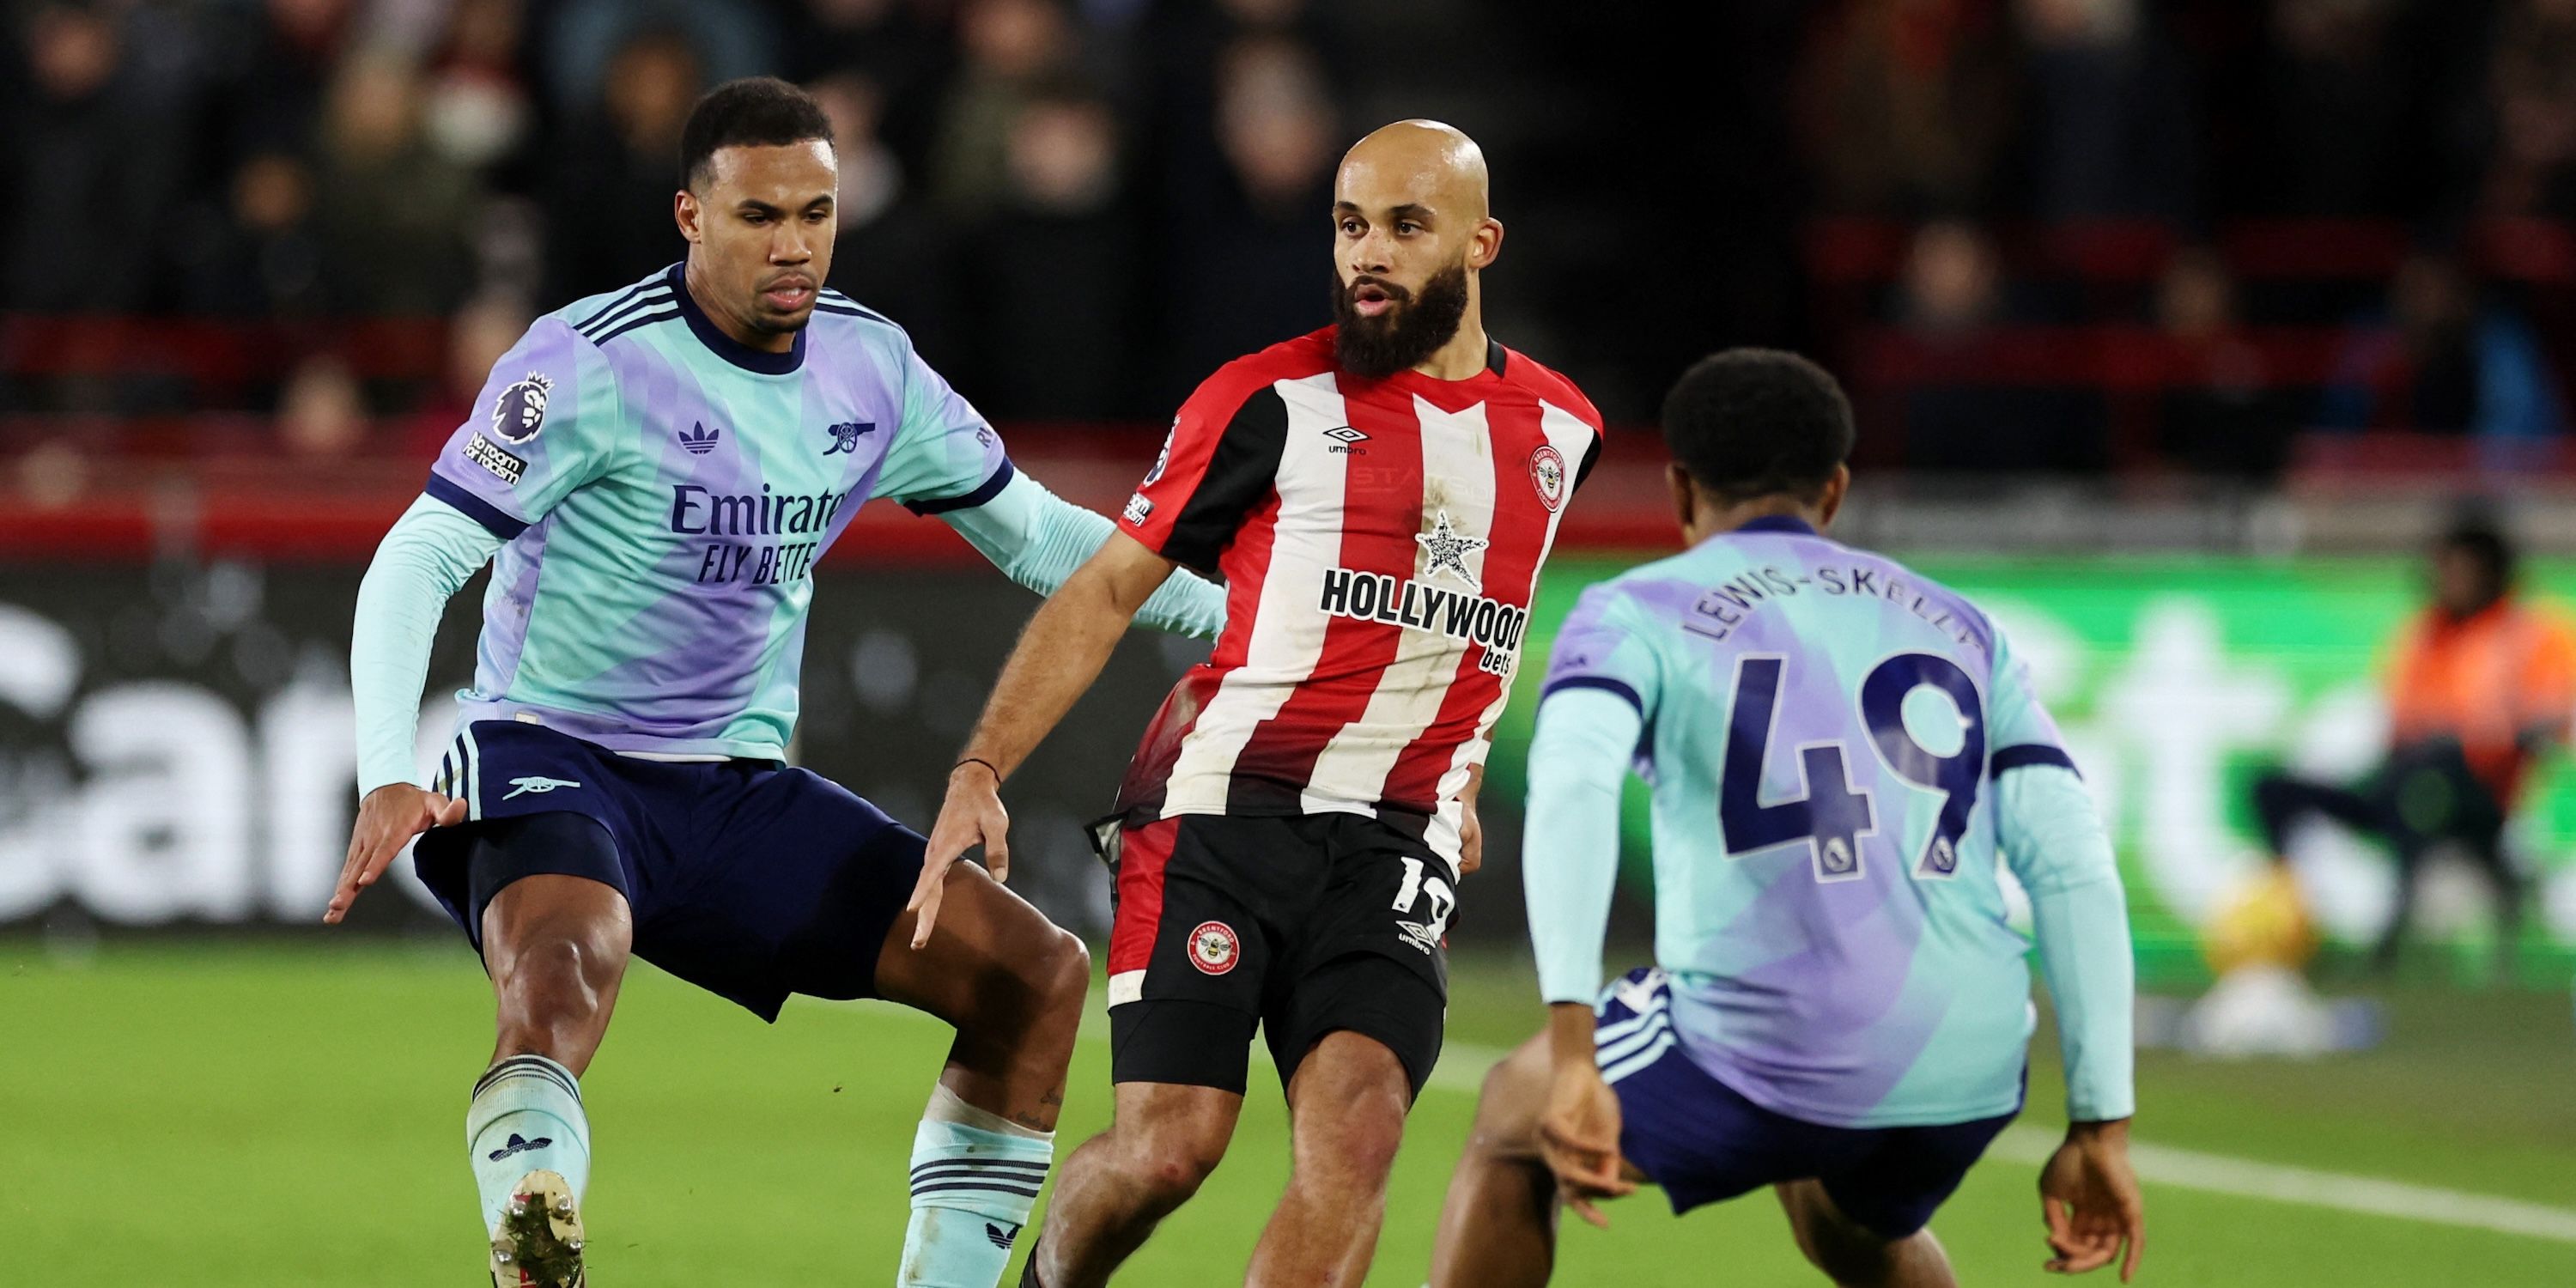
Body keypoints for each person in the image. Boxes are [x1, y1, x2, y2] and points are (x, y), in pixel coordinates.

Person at [319, 77, 1228, 1288]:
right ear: (690, 216)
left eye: (815, 211)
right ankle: (533, 1236)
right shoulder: (586, 362)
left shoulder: (872, 370)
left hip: (732, 789)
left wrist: (1238, 621)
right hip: (553, 753)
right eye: (758, 216)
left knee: (1036, 979)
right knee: (567, 960)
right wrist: (387, 769)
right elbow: (420, 555)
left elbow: (1042, 539)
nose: (793, 243)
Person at [912, 120, 1607, 1287]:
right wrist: (979, 771)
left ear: (1481, 243)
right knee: (1169, 1148)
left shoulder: (1562, 431)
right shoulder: (1266, 402)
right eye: (1348, 226)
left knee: (1359, 1136)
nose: (1366, 256)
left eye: (1403, 226)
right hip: (1223, 816)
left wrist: (1463, 775)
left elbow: (1480, 617)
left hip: (1396, 841)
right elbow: (1103, 596)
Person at [1427, 349, 2144, 1288]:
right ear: (1835, 491)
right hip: (1970, 1064)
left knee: (1512, 1124)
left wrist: (1572, 1055)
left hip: (1763, 1044)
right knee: (1843, 1220)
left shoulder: (1630, 612)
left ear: (1681, 488)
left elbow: (1574, 792)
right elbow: (2073, 866)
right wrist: (2101, 1124)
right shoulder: (1965, 626)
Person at [2251, 513, 2574, 973]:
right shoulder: (2422, 634)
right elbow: (2399, 723)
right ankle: (2283, 924)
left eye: (2457, 570)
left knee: (2431, 774)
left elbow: (2555, 715)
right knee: (2274, 788)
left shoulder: (2531, 634)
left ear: (2491, 573)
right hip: (2404, 779)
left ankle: (2387, 947)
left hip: (2480, 791)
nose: (2445, 581)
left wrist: (2492, 737)